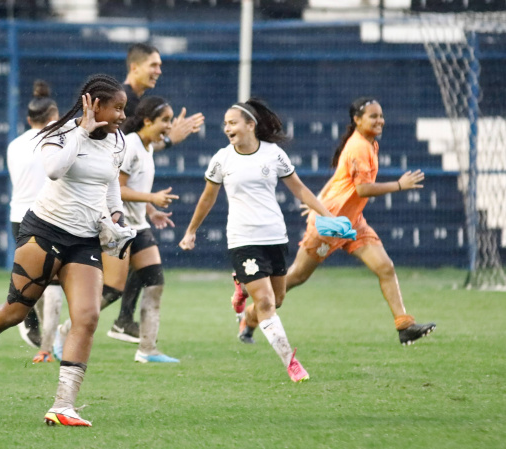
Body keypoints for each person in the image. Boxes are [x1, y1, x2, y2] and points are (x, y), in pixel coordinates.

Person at [0, 74, 129, 427]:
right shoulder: (60, 133)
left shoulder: (117, 141)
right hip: (44, 232)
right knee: (14, 313)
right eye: (118, 108)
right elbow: (53, 170)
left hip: (83, 241)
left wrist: (115, 218)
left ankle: (63, 405)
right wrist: (82, 130)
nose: (122, 116)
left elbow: (110, 184)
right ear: (94, 105)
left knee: (88, 317)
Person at [233, 97, 437, 346]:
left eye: (381, 115)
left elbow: (339, 177)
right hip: (330, 225)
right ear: (357, 120)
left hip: (352, 223)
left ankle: (404, 325)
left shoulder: (368, 144)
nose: (380, 120)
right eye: (373, 116)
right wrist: (398, 185)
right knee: (293, 280)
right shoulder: (359, 147)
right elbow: (362, 190)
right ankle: (250, 315)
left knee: (385, 267)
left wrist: (316, 199)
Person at [179, 98, 333, 382]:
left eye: (233, 122)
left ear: (251, 125)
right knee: (265, 302)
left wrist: (326, 215)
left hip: (274, 236)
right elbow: (207, 198)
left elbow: (299, 188)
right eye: (225, 123)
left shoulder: (273, 154)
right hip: (242, 239)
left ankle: (242, 294)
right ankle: (291, 363)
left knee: (277, 300)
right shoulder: (222, 159)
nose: (227, 127)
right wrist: (190, 231)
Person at [56, 96, 180, 363]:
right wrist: (151, 199)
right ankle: (64, 331)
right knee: (112, 290)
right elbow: (118, 189)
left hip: (140, 226)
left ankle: (147, 350)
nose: (169, 127)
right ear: (148, 121)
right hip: (118, 227)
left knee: (155, 282)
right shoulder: (130, 146)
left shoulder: (149, 147)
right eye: (165, 121)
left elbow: (137, 189)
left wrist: (151, 210)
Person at [103, 42, 204, 343]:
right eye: (154, 65)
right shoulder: (121, 101)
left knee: (148, 273)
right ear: (134, 67)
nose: (159, 70)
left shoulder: (137, 105)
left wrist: (148, 207)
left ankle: (127, 325)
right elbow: (119, 160)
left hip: (124, 205)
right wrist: (169, 140)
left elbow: (134, 160)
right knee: (108, 284)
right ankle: (57, 320)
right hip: (103, 202)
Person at [7, 79, 64, 363]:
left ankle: (31, 326)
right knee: (52, 283)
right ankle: (46, 345)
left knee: (31, 279)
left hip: (18, 217)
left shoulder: (14, 145)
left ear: (29, 119)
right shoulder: (54, 143)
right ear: (55, 117)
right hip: (48, 216)